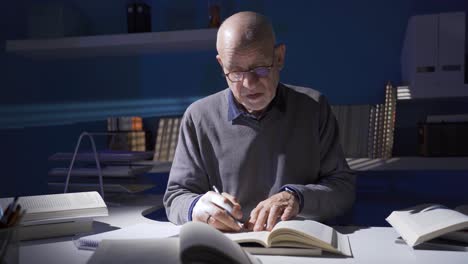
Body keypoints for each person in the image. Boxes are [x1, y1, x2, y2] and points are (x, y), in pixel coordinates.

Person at [163, 11, 355, 232]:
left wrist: (297, 198)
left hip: (299, 245)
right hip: (227, 247)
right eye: (235, 71)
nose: (249, 83)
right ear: (221, 64)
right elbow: (175, 198)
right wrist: (196, 207)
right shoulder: (198, 117)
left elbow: (343, 189)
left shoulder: (314, 108)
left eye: (260, 69)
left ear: (279, 57)